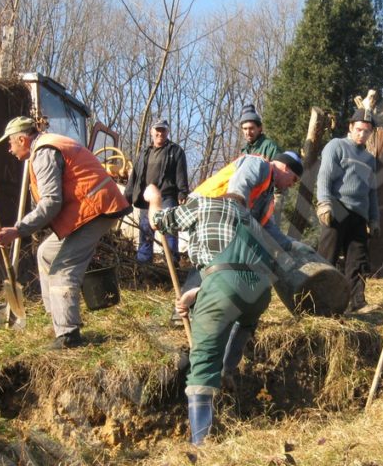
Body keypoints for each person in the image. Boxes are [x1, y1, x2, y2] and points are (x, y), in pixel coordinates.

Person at [144, 184, 291, 445]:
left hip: (221, 285)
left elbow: (159, 222)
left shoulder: (206, 204)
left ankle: (201, 443)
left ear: (221, 198)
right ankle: (226, 369)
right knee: (244, 320)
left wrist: (154, 199)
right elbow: (239, 270)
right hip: (259, 292)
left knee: (202, 362)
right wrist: (196, 294)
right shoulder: (252, 222)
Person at [0, 116, 132, 349]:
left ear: (22, 139)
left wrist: (18, 230)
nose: (9, 148)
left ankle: (69, 336)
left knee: (63, 269)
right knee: (46, 253)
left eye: (10, 142)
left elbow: (50, 203)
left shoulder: (44, 152)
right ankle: (57, 319)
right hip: (93, 208)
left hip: (97, 209)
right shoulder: (47, 145)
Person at [190, 151, 310, 388]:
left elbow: (268, 229)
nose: (291, 185)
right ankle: (196, 317)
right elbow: (237, 191)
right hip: (209, 213)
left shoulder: (267, 196)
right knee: (219, 273)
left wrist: (292, 246)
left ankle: (224, 367)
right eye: (293, 180)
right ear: (285, 168)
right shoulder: (260, 166)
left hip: (223, 218)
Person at [316, 108, 380, 312]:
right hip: (337, 206)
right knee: (328, 257)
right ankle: (318, 302)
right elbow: (324, 175)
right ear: (351, 127)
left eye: (367, 131)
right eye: (360, 129)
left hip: (359, 214)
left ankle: (357, 303)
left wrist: (374, 219)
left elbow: (372, 192)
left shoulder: (370, 159)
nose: (363, 135)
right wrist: (324, 202)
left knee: (358, 261)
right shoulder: (336, 146)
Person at [124, 119, 189, 264]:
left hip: (167, 197)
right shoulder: (144, 153)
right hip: (146, 198)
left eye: (163, 130)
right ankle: (143, 265)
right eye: (157, 130)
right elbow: (134, 176)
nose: (160, 133)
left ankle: (171, 264)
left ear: (167, 132)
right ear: (151, 132)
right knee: (146, 232)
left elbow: (181, 173)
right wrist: (127, 197)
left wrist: (182, 192)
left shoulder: (175, 151)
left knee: (169, 230)